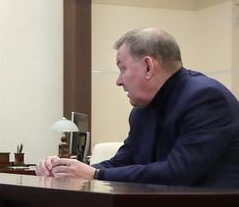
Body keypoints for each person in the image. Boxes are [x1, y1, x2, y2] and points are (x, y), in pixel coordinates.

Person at [36, 28, 239, 188]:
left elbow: (179, 172)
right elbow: (123, 161)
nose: (118, 81)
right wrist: (68, 169)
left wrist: (96, 174)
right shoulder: (142, 110)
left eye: (122, 68)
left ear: (148, 67)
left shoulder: (205, 98)